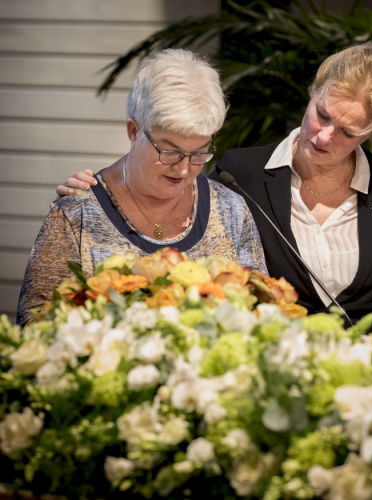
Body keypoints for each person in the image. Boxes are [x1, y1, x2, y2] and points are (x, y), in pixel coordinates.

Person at [56, 42, 372, 338]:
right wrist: (99, 187)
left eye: (348, 132)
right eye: (321, 114)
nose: (324, 136)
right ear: (313, 91)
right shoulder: (242, 172)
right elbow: (168, 184)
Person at [17, 49, 267, 326]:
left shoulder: (231, 210)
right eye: (169, 152)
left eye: (199, 153)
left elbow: (260, 309)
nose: (185, 170)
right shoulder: (77, 214)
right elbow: (35, 321)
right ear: (133, 132)